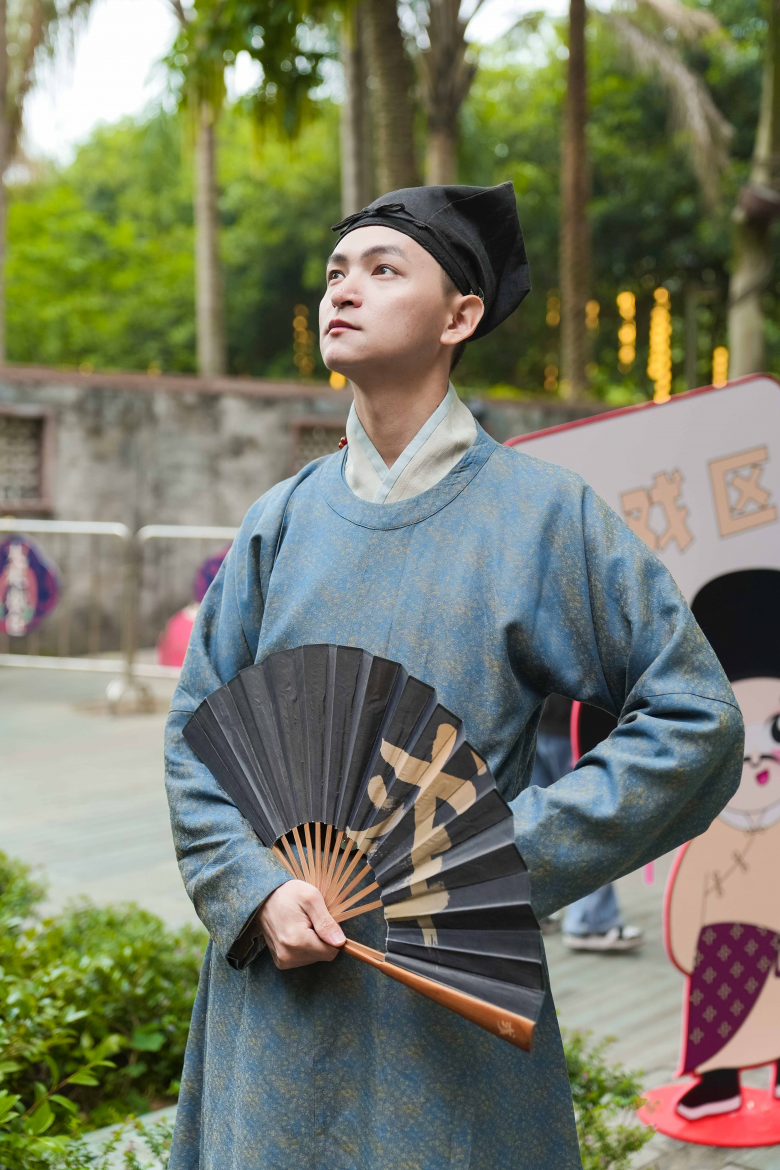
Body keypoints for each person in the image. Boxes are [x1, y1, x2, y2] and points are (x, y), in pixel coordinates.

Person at [164, 182, 744, 1170]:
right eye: (337, 272)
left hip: (449, 1001)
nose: (343, 290)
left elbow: (696, 721)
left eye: (383, 269)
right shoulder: (282, 519)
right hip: (275, 1000)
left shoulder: (545, 516)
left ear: (459, 316)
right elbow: (197, 738)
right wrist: (253, 889)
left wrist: (500, 860)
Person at [666, 570, 780, 1121]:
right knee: (720, 1031)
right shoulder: (713, 829)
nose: (758, 754)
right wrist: (687, 945)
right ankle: (719, 1084)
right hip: (725, 954)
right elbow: (689, 895)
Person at [531, 695, 644, 951]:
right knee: (586, 819)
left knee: (538, 817)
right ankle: (592, 922)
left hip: (537, 716)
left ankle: (533, 907)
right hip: (571, 722)